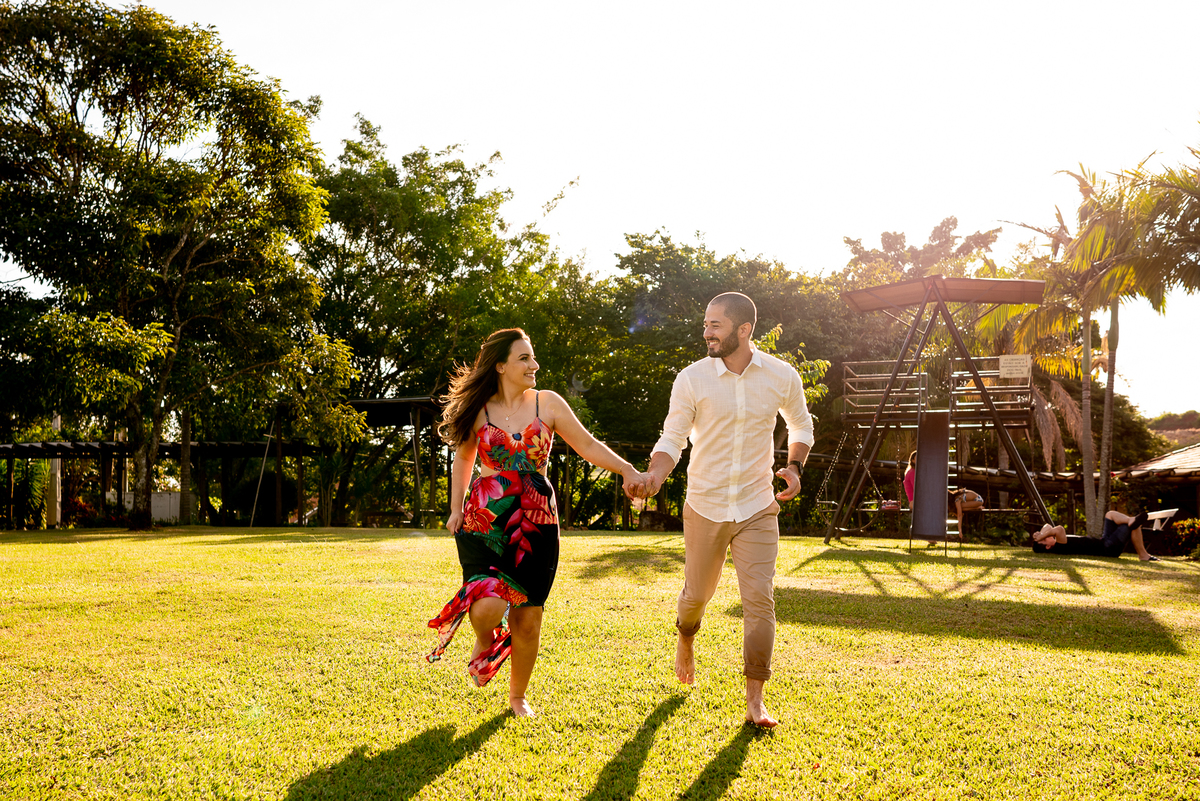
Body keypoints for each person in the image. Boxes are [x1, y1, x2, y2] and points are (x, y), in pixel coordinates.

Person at [427, 328, 646, 717]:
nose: (534, 365)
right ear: (500, 366)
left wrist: (627, 469)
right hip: (486, 520)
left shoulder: (549, 403)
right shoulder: (480, 410)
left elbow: (588, 445)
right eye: (524, 358)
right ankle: (486, 638)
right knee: (487, 605)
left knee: (527, 617)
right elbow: (464, 459)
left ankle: (517, 697)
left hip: (536, 521)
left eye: (533, 357)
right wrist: (456, 507)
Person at [634, 292, 814, 728]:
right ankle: (686, 636)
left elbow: (801, 425)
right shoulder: (692, 378)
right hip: (705, 503)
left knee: (760, 600)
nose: (706, 332)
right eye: (706, 324)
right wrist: (654, 475)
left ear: (743, 329)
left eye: (715, 325)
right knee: (697, 596)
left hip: (757, 505)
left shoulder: (781, 375)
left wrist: (794, 467)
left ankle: (755, 700)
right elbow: (673, 438)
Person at [1032, 510, 1158, 561]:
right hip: (1108, 549)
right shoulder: (1059, 547)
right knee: (1134, 526)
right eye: (1044, 539)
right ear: (1048, 547)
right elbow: (1058, 529)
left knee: (1110, 514)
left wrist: (1040, 534)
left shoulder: (1056, 543)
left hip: (1104, 541)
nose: (1046, 536)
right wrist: (1042, 536)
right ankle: (1143, 555)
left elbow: (1048, 525)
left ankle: (1130, 519)